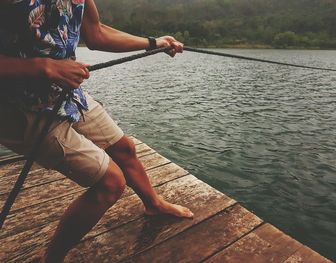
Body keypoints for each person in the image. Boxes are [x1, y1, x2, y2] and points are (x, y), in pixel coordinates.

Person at [0, 0, 194, 262]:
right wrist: (44, 67)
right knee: (111, 183)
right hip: (21, 108)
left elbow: (96, 32)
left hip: (65, 93)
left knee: (124, 148)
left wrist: (155, 43)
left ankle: (153, 205)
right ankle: (52, 258)